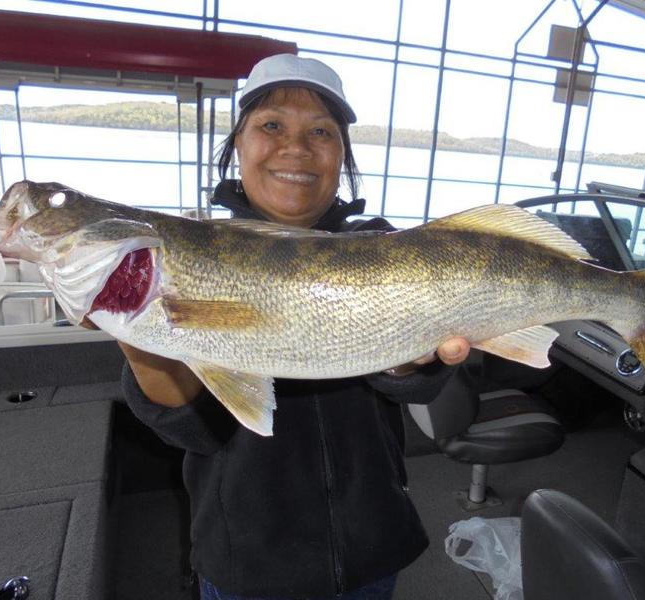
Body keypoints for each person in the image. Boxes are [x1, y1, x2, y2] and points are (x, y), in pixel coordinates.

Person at [120, 53, 470, 600]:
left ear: (341, 155)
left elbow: (420, 383)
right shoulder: (185, 256)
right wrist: (137, 323)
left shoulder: (386, 248)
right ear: (238, 143)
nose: (296, 148)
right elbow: (191, 430)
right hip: (249, 562)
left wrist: (412, 358)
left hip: (372, 544)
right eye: (272, 125)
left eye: (321, 132)